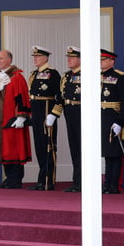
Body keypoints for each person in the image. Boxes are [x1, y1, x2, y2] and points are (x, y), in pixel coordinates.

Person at [0, 50, 31, 189]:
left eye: (1, 58)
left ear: (9, 60)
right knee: (4, 149)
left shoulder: (17, 77)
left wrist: (21, 116)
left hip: (12, 120)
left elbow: (22, 98)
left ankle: (15, 179)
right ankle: (8, 178)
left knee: (14, 149)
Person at [28, 46, 63, 191]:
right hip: (36, 115)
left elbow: (60, 96)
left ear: (45, 58)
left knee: (48, 147)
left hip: (46, 114)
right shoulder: (34, 74)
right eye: (34, 56)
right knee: (39, 148)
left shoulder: (53, 74)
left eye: (38, 56)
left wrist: (54, 114)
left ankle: (48, 179)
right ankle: (41, 179)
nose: (35, 59)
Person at [100, 48, 124, 194]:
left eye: (103, 59)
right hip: (101, 118)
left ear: (111, 61)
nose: (100, 62)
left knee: (115, 153)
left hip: (114, 118)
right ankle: (107, 183)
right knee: (106, 153)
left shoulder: (119, 76)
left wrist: (120, 122)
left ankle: (114, 184)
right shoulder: (96, 76)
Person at [59, 46, 82, 193]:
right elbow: (61, 96)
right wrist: (54, 113)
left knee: (82, 148)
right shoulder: (66, 76)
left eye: (72, 57)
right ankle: (76, 181)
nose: (69, 59)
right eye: (68, 57)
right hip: (69, 112)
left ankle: (83, 181)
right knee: (74, 147)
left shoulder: (87, 74)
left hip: (82, 112)